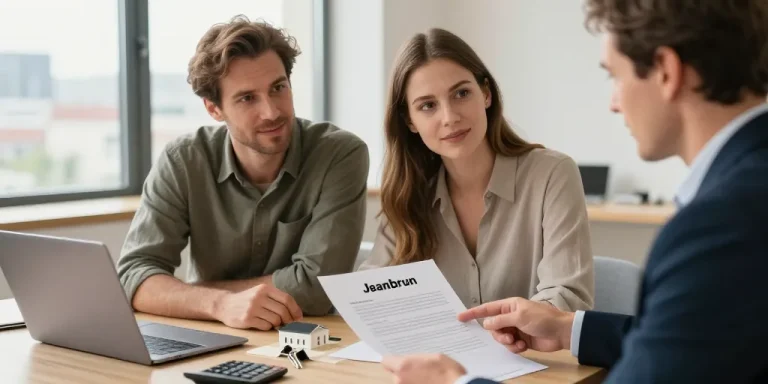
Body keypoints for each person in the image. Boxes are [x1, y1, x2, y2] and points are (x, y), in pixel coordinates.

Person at [381, 1, 768, 383]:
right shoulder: (740, 198)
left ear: (666, 71)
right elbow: (683, 341)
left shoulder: (721, 223)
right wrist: (568, 328)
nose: (614, 103)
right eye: (427, 105)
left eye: (614, 77)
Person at [116, 15, 369, 330]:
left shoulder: (339, 154)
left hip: (308, 342)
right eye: (247, 98)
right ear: (214, 109)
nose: (272, 111)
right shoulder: (183, 161)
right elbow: (133, 276)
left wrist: (184, 294)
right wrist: (219, 304)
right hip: (211, 334)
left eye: (278, 88)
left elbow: (316, 289)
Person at [358, 28, 594, 312]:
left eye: (461, 93)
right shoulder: (409, 193)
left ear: (485, 94)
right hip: (435, 356)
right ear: (410, 121)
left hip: (530, 354)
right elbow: (370, 296)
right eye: (428, 105)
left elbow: (567, 298)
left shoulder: (552, 175)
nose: (450, 117)